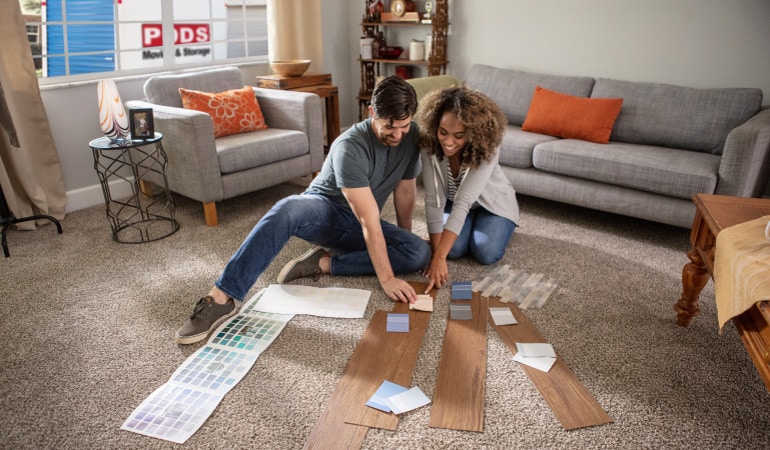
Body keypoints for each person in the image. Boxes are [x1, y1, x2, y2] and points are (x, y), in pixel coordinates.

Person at [175, 75, 431, 344]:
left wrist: (406, 237)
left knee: (419, 252)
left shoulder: (411, 136)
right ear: (371, 113)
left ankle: (322, 263)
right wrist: (387, 278)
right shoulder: (350, 146)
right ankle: (221, 297)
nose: (398, 134)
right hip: (324, 213)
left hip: (359, 222)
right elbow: (369, 221)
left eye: (404, 126)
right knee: (287, 208)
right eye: (390, 127)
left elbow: (405, 190)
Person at [415, 86, 520, 293]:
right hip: (454, 203)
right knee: (452, 250)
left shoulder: (487, 147)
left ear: (472, 133)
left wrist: (438, 258)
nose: (448, 142)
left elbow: (464, 202)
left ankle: (504, 224)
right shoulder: (429, 143)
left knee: (485, 253)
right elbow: (433, 199)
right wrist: (438, 256)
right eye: (443, 132)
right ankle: (462, 231)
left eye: (459, 135)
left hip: (491, 204)